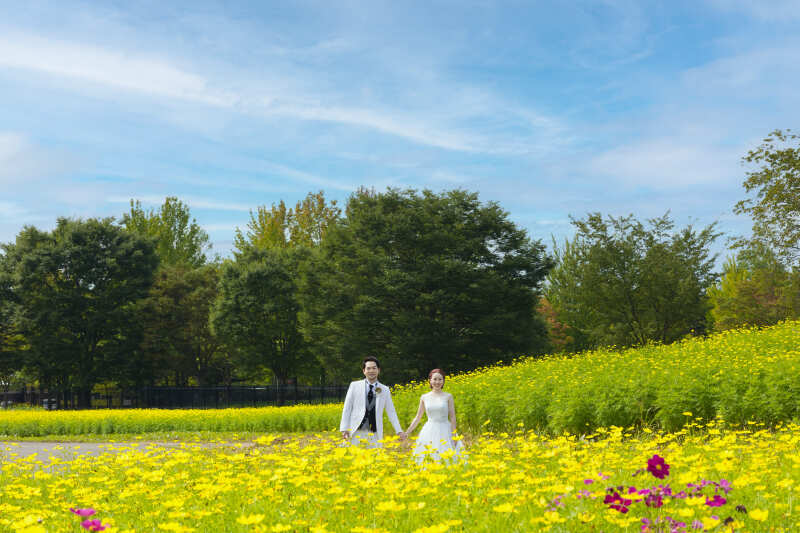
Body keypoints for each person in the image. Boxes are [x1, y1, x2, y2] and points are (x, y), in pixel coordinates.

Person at [340, 356, 406, 447]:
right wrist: (344, 428)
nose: (371, 371)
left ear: (379, 370)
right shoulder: (354, 386)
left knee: (375, 459)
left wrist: (399, 430)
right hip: (355, 430)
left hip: (375, 432)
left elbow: (391, 411)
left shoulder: (385, 389)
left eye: (374, 368)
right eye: (368, 368)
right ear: (364, 371)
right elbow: (347, 408)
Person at [406, 369, 465, 463]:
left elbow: (453, 417)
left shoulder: (448, 396)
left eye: (440, 379)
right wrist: (407, 432)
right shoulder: (424, 397)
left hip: (446, 429)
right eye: (435, 379)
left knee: (448, 456)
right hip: (429, 429)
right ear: (430, 380)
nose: (437, 382)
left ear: (443, 381)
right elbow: (418, 417)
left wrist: (454, 435)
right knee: (428, 455)